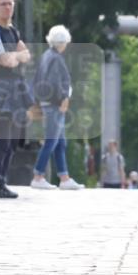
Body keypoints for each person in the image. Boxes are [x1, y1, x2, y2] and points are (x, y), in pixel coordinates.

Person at [0, 0, 33, 199]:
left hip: (16, 89)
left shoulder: (13, 31)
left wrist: (17, 56)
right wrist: (16, 56)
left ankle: (1, 180)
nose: (8, 7)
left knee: (13, 140)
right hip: (2, 89)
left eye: (10, 3)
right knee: (1, 138)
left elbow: (27, 55)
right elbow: (6, 61)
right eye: (3, 3)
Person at [30, 25, 83, 190]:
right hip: (55, 104)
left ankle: (64, 177)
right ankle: (38, 176)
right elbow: (55, 82)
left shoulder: (47, 56)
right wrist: (63, 98)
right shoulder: (55, 58)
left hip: (49, 103)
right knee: (52, 140)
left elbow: (39, 79)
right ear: (61, 42)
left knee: (60, 142)